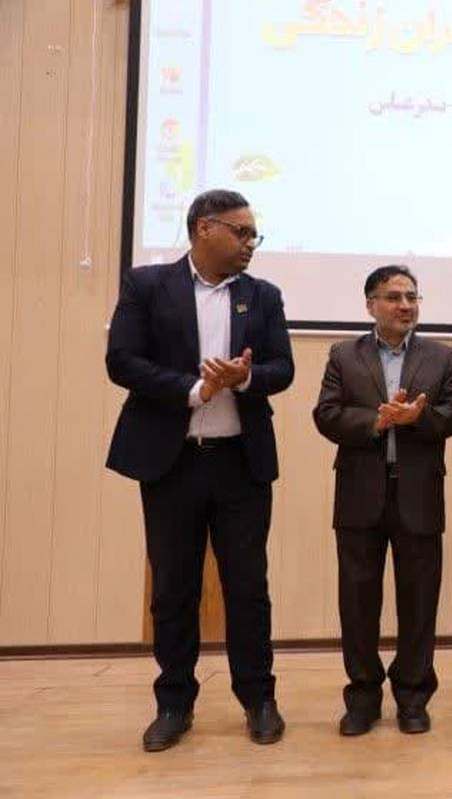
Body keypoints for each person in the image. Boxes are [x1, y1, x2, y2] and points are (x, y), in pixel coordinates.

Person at [106, 189, 294, 751]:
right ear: (204, 228)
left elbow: (282, 368)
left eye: (254, 234)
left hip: (241, 464)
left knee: (248, 588)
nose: (250, 243)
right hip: (172, 463)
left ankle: (259, 699)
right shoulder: (147, 285)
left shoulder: (263, 296)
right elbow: (122, 361)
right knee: (173, 588)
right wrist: (194, 389)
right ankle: (174, 702)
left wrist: (245, 379)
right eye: (241, 232)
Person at [313, 265, 452, 736]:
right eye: (394, 297)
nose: (405, 306)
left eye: (412, 297)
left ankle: (413, 697)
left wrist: (417, 418)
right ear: (371, 305)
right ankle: (362, 697)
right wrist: (375, 423)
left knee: (419, 602)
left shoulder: (441, 357)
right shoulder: (344, 355)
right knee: (358, 602)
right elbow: (326, 414)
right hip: (360, 493)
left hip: (419, 493)